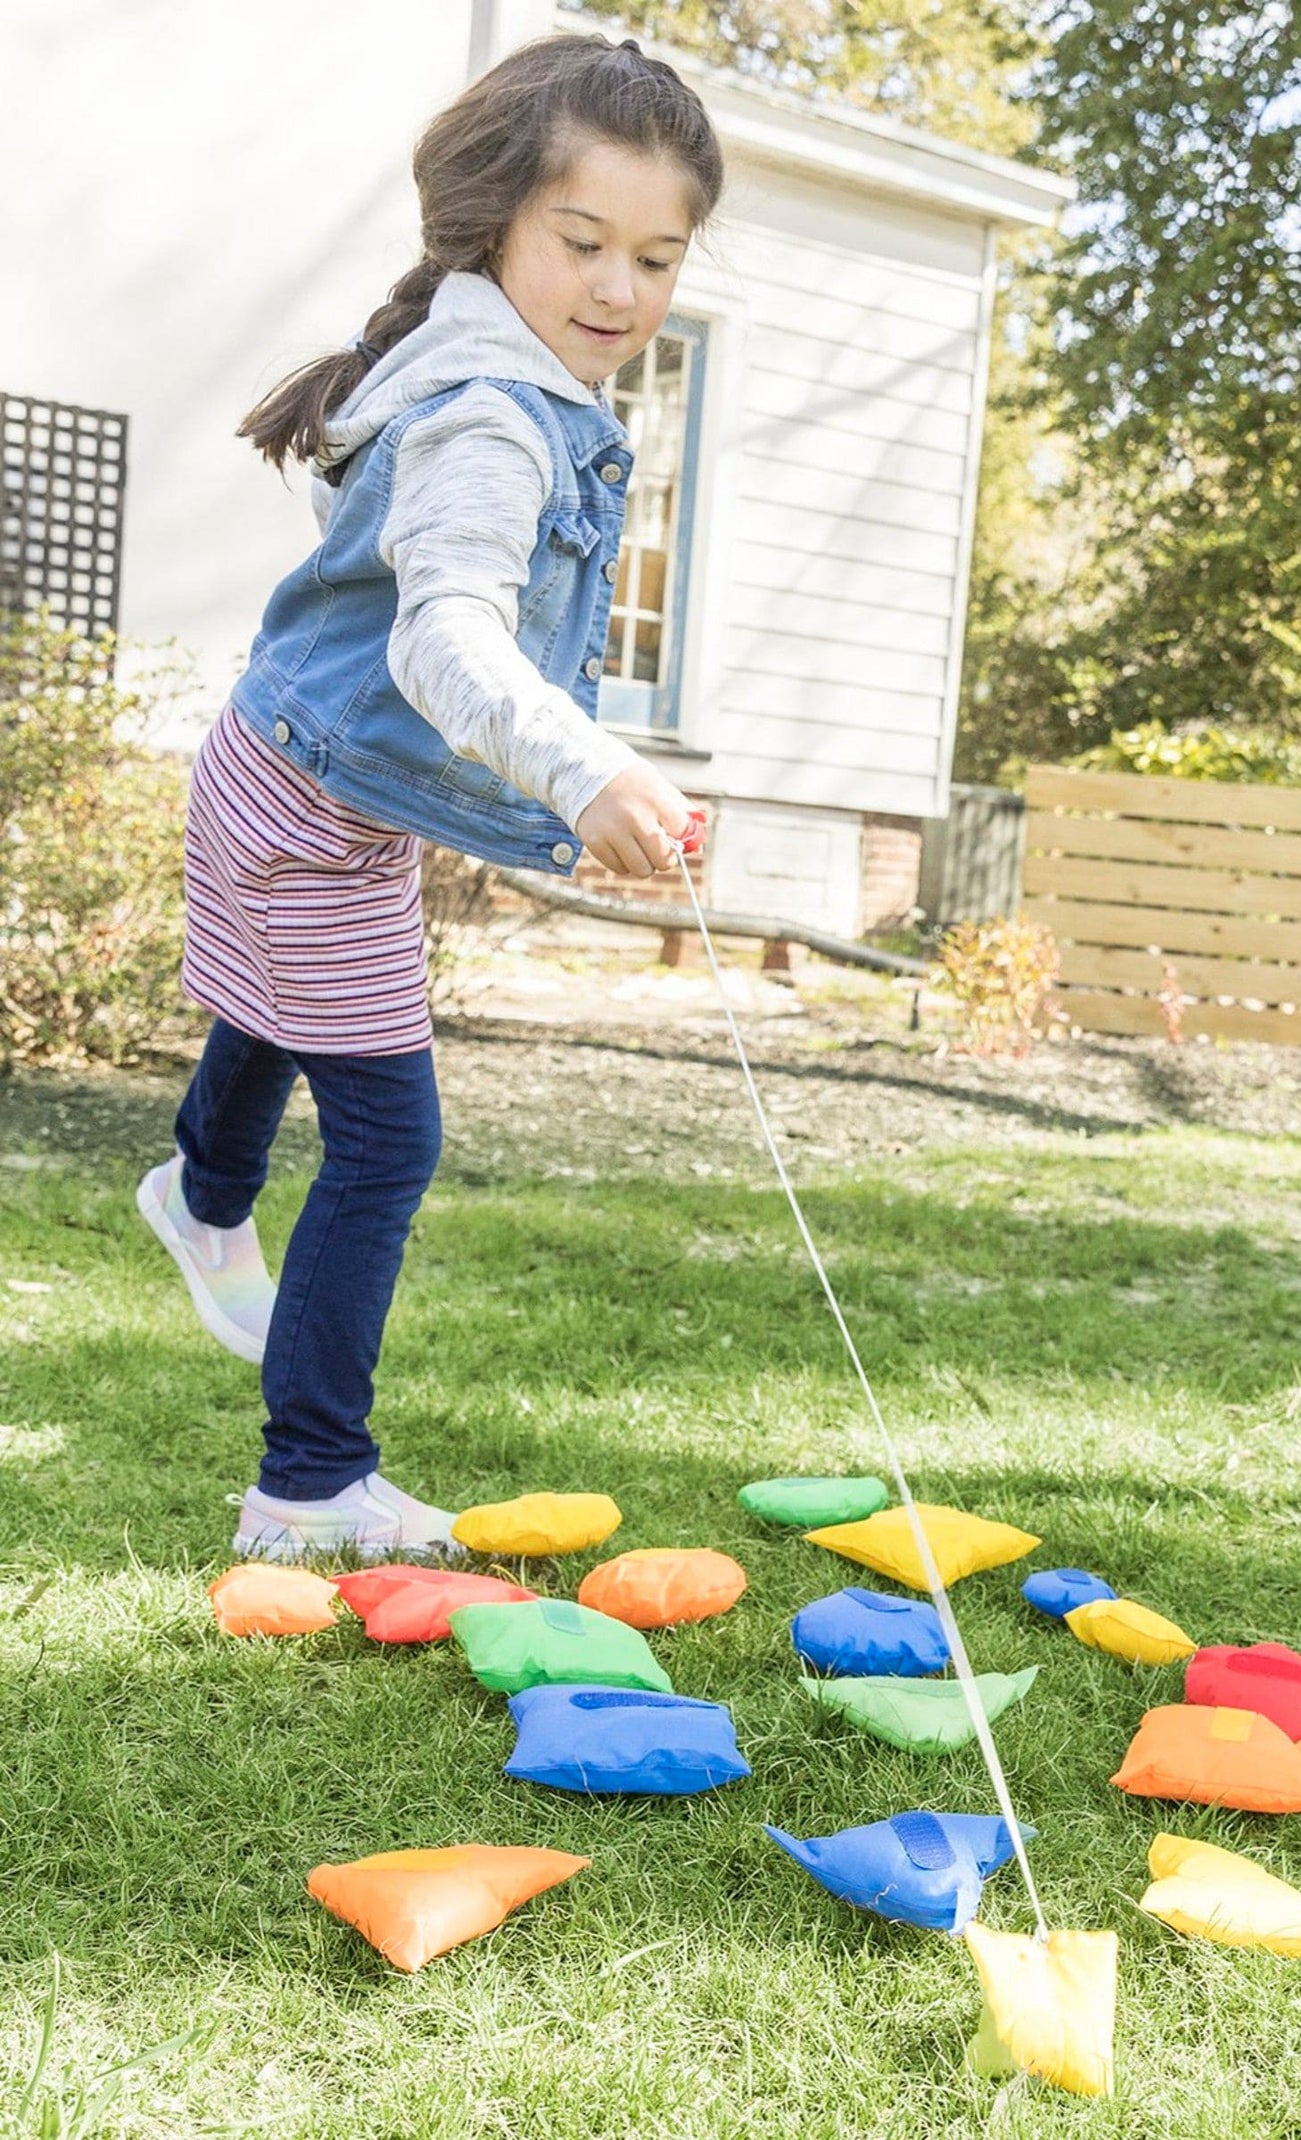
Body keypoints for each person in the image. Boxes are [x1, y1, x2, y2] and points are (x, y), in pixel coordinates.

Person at [137, 35, 723, 1562]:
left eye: (657, 258)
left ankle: (200, 1193)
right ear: (493, 224)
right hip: (302, 804)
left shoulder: (485, 373)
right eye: (581, 242)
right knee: (386, 1140)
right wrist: (583, 767)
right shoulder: (486, 413)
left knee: (282, 1012)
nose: (619, 289)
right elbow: (443, 631)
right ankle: (309, 1481)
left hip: (298, 785)